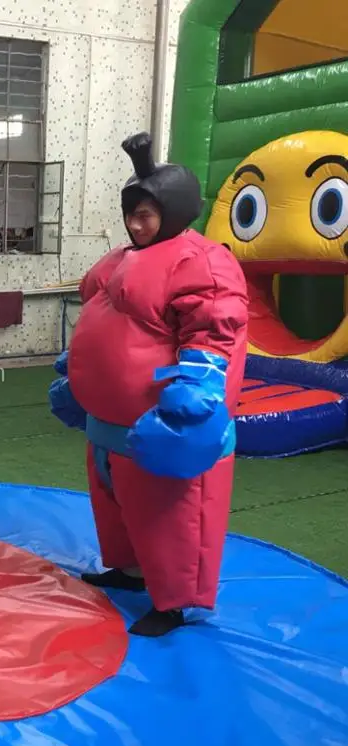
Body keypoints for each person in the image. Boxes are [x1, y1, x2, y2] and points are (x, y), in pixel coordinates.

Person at [48, 132, 249, 638]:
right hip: (109, 424)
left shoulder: (201, 261)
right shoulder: (120, 260)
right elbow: (106, 317)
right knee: (116, 504)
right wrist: (80, 371)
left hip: (161, 423)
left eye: (147, 214)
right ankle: (130, 571)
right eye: (132, 213)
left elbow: (214, 327)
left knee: (169, 515)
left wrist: (198, 391)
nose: (137, 225)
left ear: (176, 211)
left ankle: (176, 600)